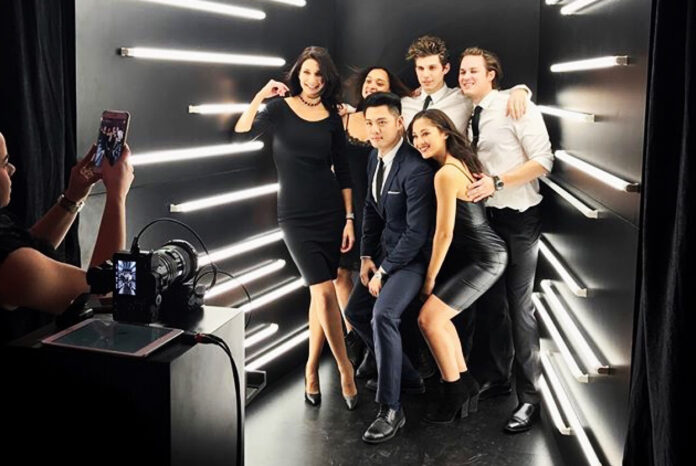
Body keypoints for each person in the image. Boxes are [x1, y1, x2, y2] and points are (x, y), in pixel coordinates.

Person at [235, 46, 358, 410]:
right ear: (297, 74)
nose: (312, 80)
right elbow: (242, 130)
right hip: (294, 216)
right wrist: (262, 94)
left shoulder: (333, 116)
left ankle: (310, 369)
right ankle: (346, 370)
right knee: (323, 292)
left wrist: (349, 218)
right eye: (307, 73)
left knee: (321, 294)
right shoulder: (278, 109)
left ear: (327, 79)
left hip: (330, 210)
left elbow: (344, 172)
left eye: (319, 74)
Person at [460, 47, 553, 433]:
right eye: (462, 72)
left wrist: (496, 182)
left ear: (491, 75)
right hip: (487, 219)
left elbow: (543, 161)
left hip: (519, 219)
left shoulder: (517, 105)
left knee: (520, 308)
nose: (466, 77)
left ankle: (530, 399)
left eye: (473, 71)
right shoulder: (471, 114)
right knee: (492, 304)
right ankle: (499, 378)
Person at [344, 92, 434, 444]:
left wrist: (383, 272)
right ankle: (407, 375)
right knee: (355, 311)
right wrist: (366, 257)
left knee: (383, 314)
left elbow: (417, 233)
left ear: (399, 123)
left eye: (382, 122)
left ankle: (391, 408)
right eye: (369, 123)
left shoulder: (416, 168)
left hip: (411, 259)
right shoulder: (374, 157)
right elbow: (370, 207)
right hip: (382, 254)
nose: (375, 130)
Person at [408, 109, 507, 424]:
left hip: (486, 258)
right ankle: (463, 383)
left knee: (428, 319)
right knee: (440, 319)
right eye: (415, 136)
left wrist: (430, 278)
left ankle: (454, 390)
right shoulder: (459, 163)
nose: (419, 141)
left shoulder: (446, 174)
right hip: (484, 255)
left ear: (444, 132)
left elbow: (444, 233)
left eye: (426, 133)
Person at [0, 131, 134, 341]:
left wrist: (74, 195)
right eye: (3, 163)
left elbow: (28, 245)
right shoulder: (13, 267)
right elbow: (104, 296)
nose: (12, 169)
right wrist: (117, 195)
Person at [338, 66, 412, 379]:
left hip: (384, 208)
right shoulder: (345, 116)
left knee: (373, 282)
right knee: (343, 274)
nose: (371, 85)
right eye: (368, 80)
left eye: (379, 82)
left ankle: (377, 353)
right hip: (350, 204)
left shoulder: (392, 124)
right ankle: (356, 340)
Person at [401, 35, 530, 132]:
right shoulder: (405, 103)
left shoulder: (463, 98)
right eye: (421, 68)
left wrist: (520, 91)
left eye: (432, 68)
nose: (425, 75)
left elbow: (491, 97)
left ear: (445, 68)